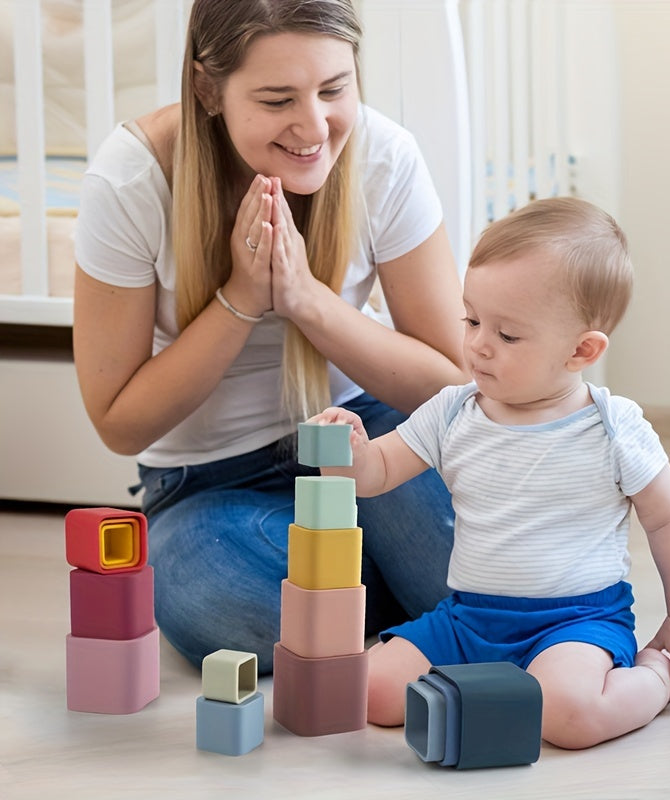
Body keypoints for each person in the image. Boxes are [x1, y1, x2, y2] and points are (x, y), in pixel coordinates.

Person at [72, 0, 467, 673]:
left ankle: (359, 601)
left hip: (364, 435)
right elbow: (119, 423)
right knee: (216, 601)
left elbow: (450, 382)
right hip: (207, 483)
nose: (313, 127)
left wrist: (307, 300)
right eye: (278, 99)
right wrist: (241, 301)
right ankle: (411, 600)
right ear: (208, 89)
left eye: (334, 89)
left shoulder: (385, 156)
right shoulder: (132, 180)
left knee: (479, 545)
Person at [312, 196, 670, 750]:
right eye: (472, 320)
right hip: (469, 619)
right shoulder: (453, 411)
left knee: (568, 717)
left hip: (575, 623)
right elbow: (377, 471)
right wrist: (349, 452)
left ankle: (656, 678)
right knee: (371, 691)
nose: (478, 345)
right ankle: (497, 692)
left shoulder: (614, 427)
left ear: (581, 350)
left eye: (506, 335)